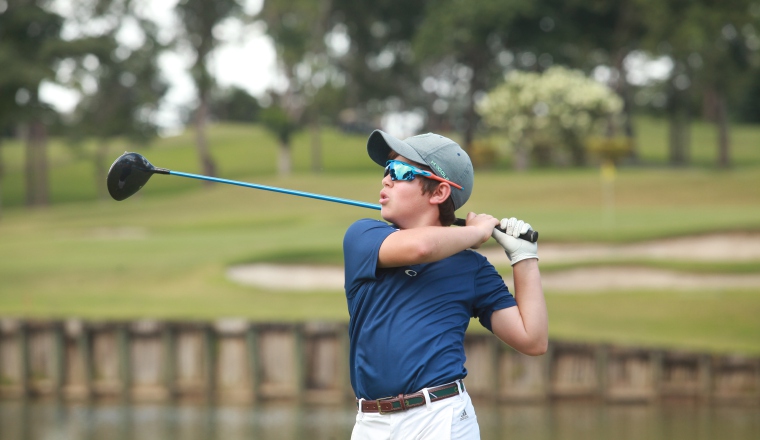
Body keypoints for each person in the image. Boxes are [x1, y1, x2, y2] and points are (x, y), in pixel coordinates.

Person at [343, 130, 548, 439]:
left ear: (439, 193)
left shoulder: (471, 267)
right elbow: (421, 248)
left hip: (440, 418)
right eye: (386, 171)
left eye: (399, 173)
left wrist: (523, 257)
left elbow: (532, 340)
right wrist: (477, 234)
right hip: (371, 423)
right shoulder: (363, 236)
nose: (386, 180)